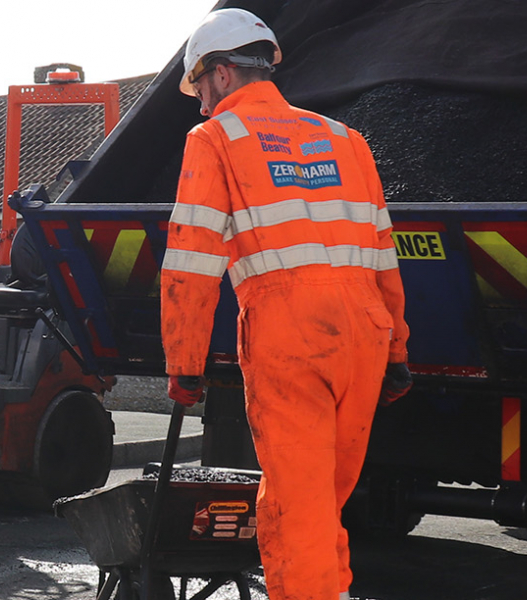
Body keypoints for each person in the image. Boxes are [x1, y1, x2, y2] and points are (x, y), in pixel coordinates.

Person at [159, 9, 413, 600]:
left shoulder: (216, 138)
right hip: (365, 334)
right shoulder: (346, 140)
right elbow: (383, 258)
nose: (199, 102)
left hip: (290, 334)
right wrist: (396, 347)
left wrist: (184, 362)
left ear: (221, 74)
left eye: (198, 85)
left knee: (297, 512)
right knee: (324, 504)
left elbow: (192, 262)